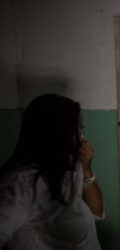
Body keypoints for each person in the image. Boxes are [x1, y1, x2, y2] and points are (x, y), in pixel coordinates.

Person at [0, 94, 104, 249]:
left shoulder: (71, 167)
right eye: (77, 128)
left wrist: (87, 169)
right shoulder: (22, 184)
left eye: (81, 129)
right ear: (56, 132)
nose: (81, 138)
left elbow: (96, 211)